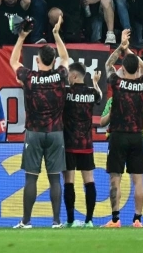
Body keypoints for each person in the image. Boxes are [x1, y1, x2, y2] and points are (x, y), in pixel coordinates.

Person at [10, 14, 70, 228]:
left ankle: (26, 221)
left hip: (34, 133)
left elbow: (13, 61)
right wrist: (56, 34)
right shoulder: (61, 74)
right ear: (52, 60)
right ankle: (56, 221)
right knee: (55, 179)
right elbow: (65, 57)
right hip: (55, 133)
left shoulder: (29, 76)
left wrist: (21, 37)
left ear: (38, 60)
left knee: (31, 178)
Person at [102, 30, 143, 228]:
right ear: (137, 69)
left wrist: (121, 48)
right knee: (138, 180)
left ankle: (115, 219)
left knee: (116, 178)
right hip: (137, 136)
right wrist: (129, 50)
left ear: (123, 68)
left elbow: (107, 64)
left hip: (118, 136)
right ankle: (137, 219)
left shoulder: (117, 83)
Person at [62, 62, 103, 227]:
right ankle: (89, 220)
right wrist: (95, 82)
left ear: (73, 76)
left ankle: (71, 221)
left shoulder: (66, 92)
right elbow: (99, 96)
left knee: (68, 181)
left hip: (69, 143)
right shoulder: (91, 92)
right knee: (89, 181)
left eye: (68, 75)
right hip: (86, 143)